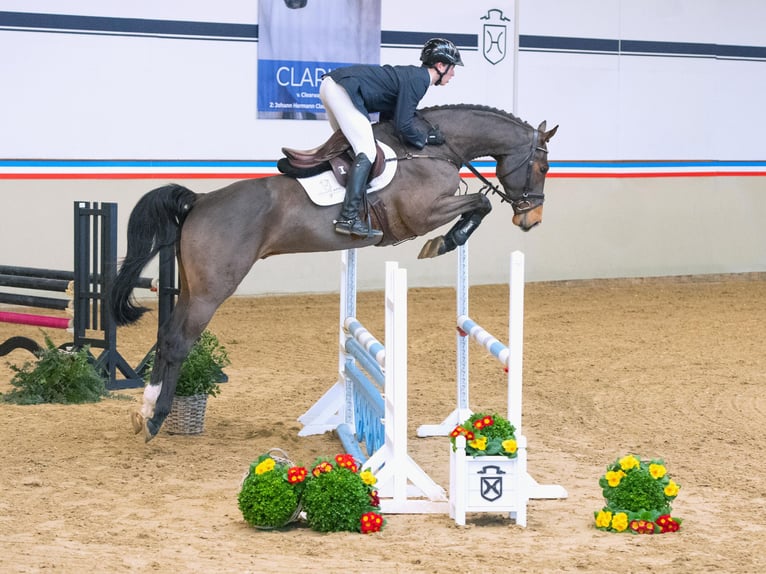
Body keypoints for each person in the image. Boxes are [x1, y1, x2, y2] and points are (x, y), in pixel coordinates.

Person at [319, 37, 463, 238]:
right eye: (452, 67)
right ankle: (348, 218)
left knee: (350, 148)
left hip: (332, 86)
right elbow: (403, 125)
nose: (453, 73)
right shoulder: (419, 81)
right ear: (440, 65)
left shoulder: (414, 77)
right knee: (367, 152)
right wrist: (425, 139)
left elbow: (393, 119)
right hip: (342, 89)